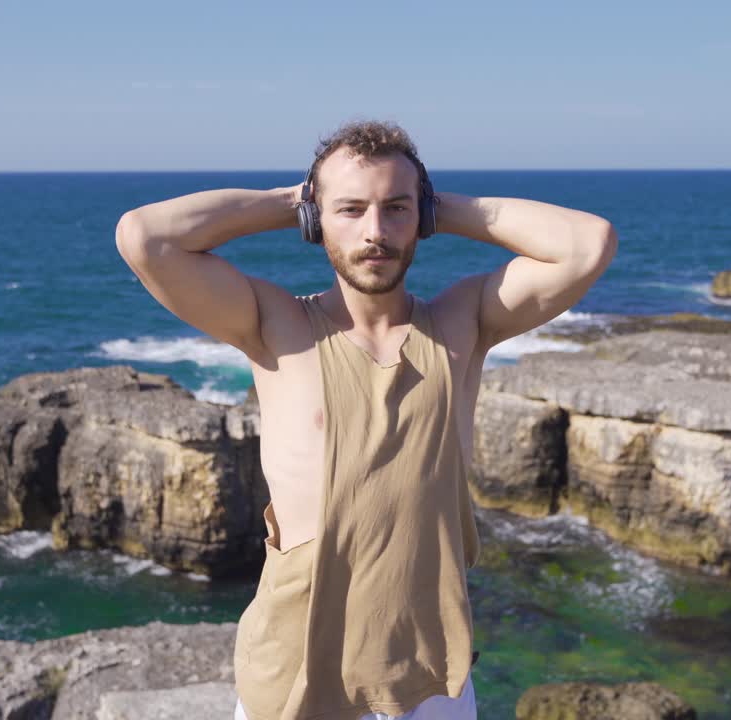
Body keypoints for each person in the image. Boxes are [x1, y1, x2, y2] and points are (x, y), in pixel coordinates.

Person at [115, 120, 617, 720]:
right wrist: (292, 201)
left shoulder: (462, 325)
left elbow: (588, 243)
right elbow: (144, 237)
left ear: (421, 217)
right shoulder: (277, 326)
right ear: (315, 219)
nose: (375, 233)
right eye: (350, 210)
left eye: (396, 210)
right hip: (291, 677)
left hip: (429, 680)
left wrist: (438, 206)